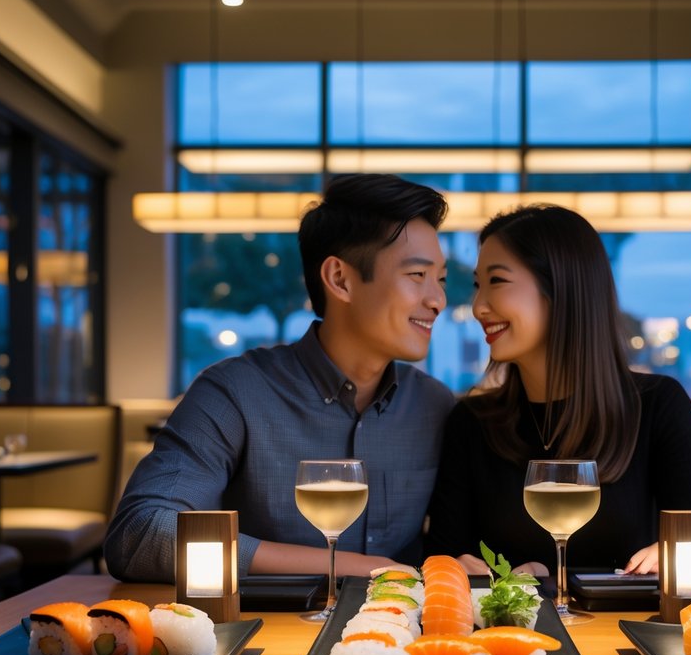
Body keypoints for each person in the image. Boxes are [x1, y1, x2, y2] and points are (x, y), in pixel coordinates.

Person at [106, 174, 457, 583]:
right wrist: (353, 568)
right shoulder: (233, 393)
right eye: (418, 275)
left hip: (399, 641)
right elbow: (140, 535)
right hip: (266, 638)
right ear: (340, 279)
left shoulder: (436, 406)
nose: (438, 300)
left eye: (441, 279)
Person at [424, 204, 691, 577]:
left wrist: (677, 556)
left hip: (622, 633)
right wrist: (454, 569)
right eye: (478, 285)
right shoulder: (471, 423)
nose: (479, 306)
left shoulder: (656, 405)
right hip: (513, 632)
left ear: (561, 289)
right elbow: (442, 556)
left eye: (496, 281)